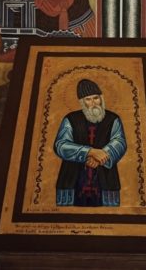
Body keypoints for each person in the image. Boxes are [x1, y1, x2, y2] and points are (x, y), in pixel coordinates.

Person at [54, 79, 127, 207]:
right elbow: (61, 145)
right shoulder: (71, 119)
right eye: (88, 99)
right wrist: (90, 152)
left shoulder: (113, 119)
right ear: (82, 102)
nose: (93, 103)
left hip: (106, 181)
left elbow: (119, 142)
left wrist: (100, 158)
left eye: (96, 98)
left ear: (101, 98)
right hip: (72, 180)